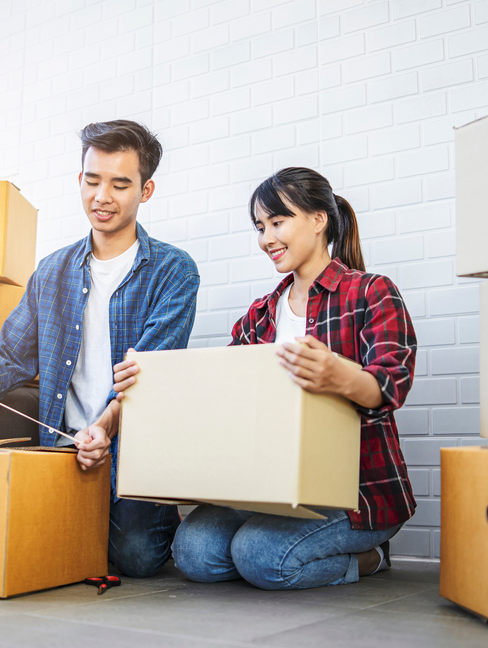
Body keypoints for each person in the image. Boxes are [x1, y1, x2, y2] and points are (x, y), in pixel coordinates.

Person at [100, 167, 417, 590]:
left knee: (262, 557)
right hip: (270, 486)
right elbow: (223, 395)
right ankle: (272, 549)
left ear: (319, 219)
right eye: (260, 226)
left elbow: (390, 385)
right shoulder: (261, 313)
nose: (267, 238)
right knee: (192, 553)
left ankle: (369, 558)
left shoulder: (371, 292)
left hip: (354, 494)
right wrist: (148, 383)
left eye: (278, 222)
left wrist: (339, 375)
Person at [0, 120, 200, 578]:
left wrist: (105, 430)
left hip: (130, 450)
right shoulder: (51, 272)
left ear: (146, 191)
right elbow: (9, 358)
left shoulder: (174, 271)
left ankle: (159, 517)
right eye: (92, 181)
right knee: (48, 545)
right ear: (79, 180)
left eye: (120, 184)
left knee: (137, 560)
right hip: (60, 448)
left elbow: (146, 374)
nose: (101, 197)